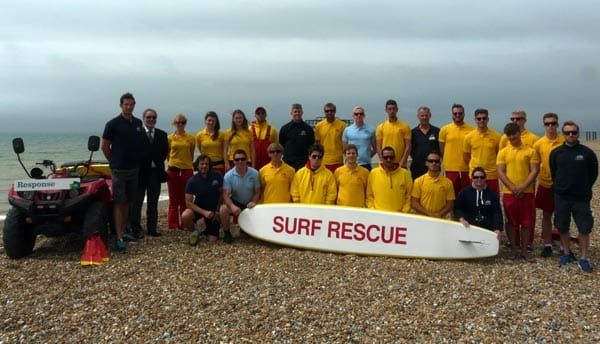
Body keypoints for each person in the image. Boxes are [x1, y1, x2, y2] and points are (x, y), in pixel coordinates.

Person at [550, 121, 598, 273]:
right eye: (567, 132)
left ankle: (584, 258)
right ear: (563, 134)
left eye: (573, 132)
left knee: (584, 228)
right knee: (562, 226)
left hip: (581, 198)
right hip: (562, 197)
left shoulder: (587, 153)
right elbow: (554, 172)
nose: (570, 135)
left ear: (578, 133)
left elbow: (593, 174)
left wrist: (583, 188)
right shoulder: (556, 152)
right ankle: (566, 253)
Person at [101, 92, 145, 252]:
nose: (129, 107)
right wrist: (113, 161)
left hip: (134, 169)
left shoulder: (138, 123)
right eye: (126, 104)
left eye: (131, 104)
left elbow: (139, 145)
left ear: (134, 105)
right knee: (119, 202)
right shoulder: (112, 124)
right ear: (121, 105)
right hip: (119, 170)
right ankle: (118, 237)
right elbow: (105, 146)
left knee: (128, 202)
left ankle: (124, 231)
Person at [497, 122, 540, 262]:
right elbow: (501, 172)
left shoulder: (530, 151)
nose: (511, 137)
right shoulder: (503, 152)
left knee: (526, 223)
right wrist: (512, 187)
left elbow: (534, 170)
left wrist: (523, 186)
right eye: (509, 135)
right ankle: (514, 249)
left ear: (519, 133)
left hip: (526, 192)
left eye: (514, 133)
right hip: (509, 193)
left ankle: (524, 250)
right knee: (511, 222)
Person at [129, 108, 168, 238]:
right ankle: (136, 229)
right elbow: (133, 152)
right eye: (148, 117)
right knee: (137, 202)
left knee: (153, 202)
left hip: (155, 173)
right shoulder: (136, 133)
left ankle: (152, 229)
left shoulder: (162, 135)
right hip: (140, 173)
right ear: (144, 118)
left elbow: (164, 153)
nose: (151, 119)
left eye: (153, 117)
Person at [533, 113, 564, 257]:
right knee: (546, 215)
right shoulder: (539, 144)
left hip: (562, 185)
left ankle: (564, 245)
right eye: (547, 124)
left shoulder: (564, 141)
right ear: (544, 125)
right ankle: (547, 244)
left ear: (557, 124)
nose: (550, 126)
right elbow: (535, 165)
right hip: (545, 184)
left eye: (553, 123)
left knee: (562, 214)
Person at [219, 149, 260, 243]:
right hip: (236, 201)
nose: (240, 161)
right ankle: (227, 234)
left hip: (250, 202)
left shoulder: (255, 173)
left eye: (242, 159)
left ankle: (248, 230)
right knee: (223, 209)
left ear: (247, 160)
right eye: (237, 160)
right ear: (233, 161)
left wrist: (254, 202)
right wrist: (232, 206)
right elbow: (225, 195)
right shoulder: (228, 176)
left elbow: (257, 191)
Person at [181, 155, 223, 244]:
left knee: (212, 240)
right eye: (202, 164)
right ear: (197, 165)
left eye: (206, 164)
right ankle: (195, 231)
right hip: (200, 210)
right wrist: (203, 213)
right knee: (185, 215)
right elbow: (188, 203)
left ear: (210, 165)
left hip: (213, 212)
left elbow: (222, 194)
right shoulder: (192, 181)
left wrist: (218, 211)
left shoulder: (217, 176)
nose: (204, 166)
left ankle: (205, 229)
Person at [454, 167, 503, 238]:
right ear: (472, 178)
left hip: (487, 229)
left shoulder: (492, 194)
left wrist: (497, 229)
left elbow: (497, 213)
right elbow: (457, 209)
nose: (479, 179)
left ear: (485, 178)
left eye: (481, 177)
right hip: (469, 228)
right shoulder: (464, 193)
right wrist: (461, 219)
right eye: (476, 177)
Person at [166, 113, 196, 230]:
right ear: (174, 123)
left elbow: (191, 154)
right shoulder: (169, 138)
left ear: (185, 124)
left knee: (185, 198)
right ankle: (173, 225)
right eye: (178, 122)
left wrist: (185, 164)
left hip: (187, 170)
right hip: (173, 170)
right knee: (173, 199)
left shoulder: (190, 138)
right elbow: (168, 155)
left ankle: (184, 223)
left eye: (182, 122)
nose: (180, 124)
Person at [463, 108, 501, 195]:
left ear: (488, 119)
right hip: (475, 175)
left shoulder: (497, 136)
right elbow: (466, 157)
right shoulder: (469, 137)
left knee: (492, 200)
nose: (482, 120)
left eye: (484, 118)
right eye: (479, 118)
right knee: (474, 201)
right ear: (475, 120)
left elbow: (498, 156)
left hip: (492, 175)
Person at [439, 103, 474, 197]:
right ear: (452, 114)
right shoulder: (444, 130)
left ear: (464, 114)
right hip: (450, 169)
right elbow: (442, 149)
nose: (457, 115)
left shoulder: (472, 130)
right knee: (450, 196)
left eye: (460, 113)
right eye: (455, 113)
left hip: (467, 169)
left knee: (467, 195)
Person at [366, 146, 413, 212]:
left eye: (391, 157)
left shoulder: (405, 174)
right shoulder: (373, 173)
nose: (389, 159)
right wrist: (374, 211)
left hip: (400, 216)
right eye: (386, 157)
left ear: (395, 158)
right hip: (379, 216)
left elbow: (409, 196)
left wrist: (404, 212)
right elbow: (369, 196)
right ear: (382, 158)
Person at [411, 152, 455, 218]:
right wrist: (429, 214)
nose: (434, 163)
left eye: (436, 161)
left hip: (440, 219)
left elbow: (450, 203)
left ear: (440, 163)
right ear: (426, 163)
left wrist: (439, 214)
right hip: (423, 219)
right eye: (431, 161)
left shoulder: (448, 183)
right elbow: (414, 203)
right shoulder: (418, 181)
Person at [376, 99, 411, 168]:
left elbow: (408, 146)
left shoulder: (405, 126)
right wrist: (383, 161)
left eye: (393, 109)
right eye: (389, 109)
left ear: (397, 110)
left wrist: (402, 162)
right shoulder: (380, 127)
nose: (392, 111)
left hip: (400, 164)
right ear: (386, 110)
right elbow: (378, 147)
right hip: (386, 163)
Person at [279, 103, 315, 170]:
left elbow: (311, 146)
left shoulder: (308, 129)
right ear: (291, 113)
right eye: (295, 112)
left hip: (304, 164)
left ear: (302, 113)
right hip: (288, 163)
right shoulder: (284, 128)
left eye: (299, 112)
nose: (297, 113)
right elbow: (281, 145)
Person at [409, 106, 440, 179]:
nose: (424, 118)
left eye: (426, 115)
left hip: (434, 167)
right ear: (418, 116)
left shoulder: (437, 131)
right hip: (417, 168)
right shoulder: (412, 133)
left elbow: (441, 149)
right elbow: (410, 149)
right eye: (422, 116)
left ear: (430, 116)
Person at [315, 103, 347, 172]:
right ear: (324, 112)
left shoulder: (342, 125)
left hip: (338, 161)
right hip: (324, 161)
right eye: (327, 111)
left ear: (335, 111)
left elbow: (346, 143)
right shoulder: (319, 126)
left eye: (331, 110)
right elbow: (317, 144)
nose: (329, 112)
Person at [342, 106, 376, 170]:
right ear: (353, 116)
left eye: (361, 114)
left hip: (366, 164)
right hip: (351, 164)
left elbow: (375, 148)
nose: (359, 115)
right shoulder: (347, 130)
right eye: (356, 114)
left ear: (364, 115)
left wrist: (367, 156)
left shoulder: (371, 130)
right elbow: (344, 149)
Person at [251, 106, 278, 170]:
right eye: (258, 113)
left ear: (266, 115)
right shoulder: (249, 130)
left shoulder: (272, 130)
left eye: (262, 113)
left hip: (268, 163)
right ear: (255, 115)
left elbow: (276, 148)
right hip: (253, 163)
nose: (260, 115)